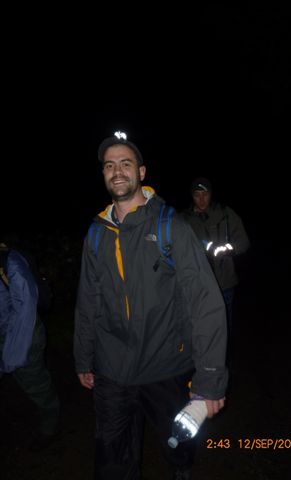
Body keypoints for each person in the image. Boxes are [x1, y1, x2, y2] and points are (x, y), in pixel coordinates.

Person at [73, 132, 228, 480]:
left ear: (141, 172)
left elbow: (205, 304)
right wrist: (83, 357)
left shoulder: (171, 226)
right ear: (103, 174)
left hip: (166, 367)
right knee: (112, 462)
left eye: (125, 164)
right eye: (109, 165)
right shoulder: (96, 234)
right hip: (113, 372)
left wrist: (210, 378)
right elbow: (88, 301)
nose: (117, 171)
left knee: (179, 448)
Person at [182, 177, 250, 368]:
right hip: (196, 287)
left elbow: (244, 241)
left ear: (211, 194)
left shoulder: (226, 215)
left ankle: (222, 367)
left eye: (205, 194)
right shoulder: (184, 220)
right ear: (192, 196)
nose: (202, 199)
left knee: (224, 329)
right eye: (197, 194)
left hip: (224, 283)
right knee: (197, 330)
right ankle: (198, 368)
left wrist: (229, 249)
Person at [0, 241, 60, 451]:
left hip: (23, 335)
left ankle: (49, 428)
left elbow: (25, 309)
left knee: (36, 385)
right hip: (7, 333)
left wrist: (12, 354)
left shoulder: (11, 261)